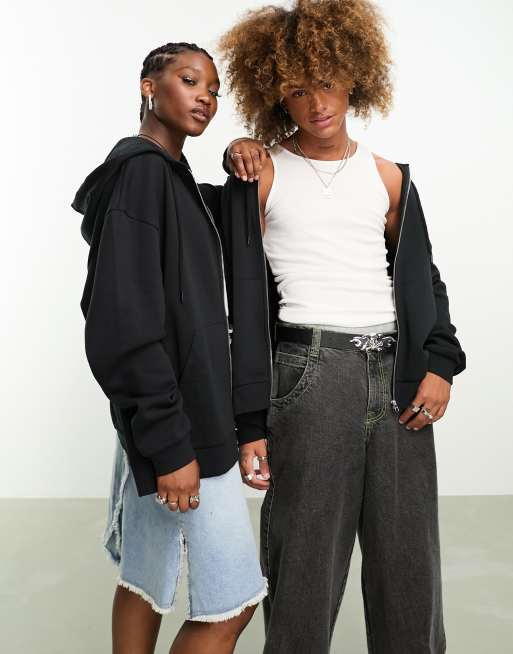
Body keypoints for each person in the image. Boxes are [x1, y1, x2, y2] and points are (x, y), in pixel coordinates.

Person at [217, 1, 466, 652]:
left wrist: (440, 363)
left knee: (408, 563)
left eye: (326, 83)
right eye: (297, 90)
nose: (316, 102)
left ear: (354, 77)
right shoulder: (261, 173)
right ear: (278, 95)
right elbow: (234, 294)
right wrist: (249, 424)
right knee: (304, 560)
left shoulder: (388, 177)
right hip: (309, 374)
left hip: (397, 377)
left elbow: (425, 281)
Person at [71, 42, 269, 654]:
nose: (205, 97)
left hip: (163, 423)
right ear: (148, 87)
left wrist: (245, 156)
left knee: (145, 580)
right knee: (234, 602)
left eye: (214, 89)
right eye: (189, 80)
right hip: (179, 433)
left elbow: (230, 219)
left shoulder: (172, 182)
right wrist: (169, 442)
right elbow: (121, 322)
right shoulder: (143, 175)